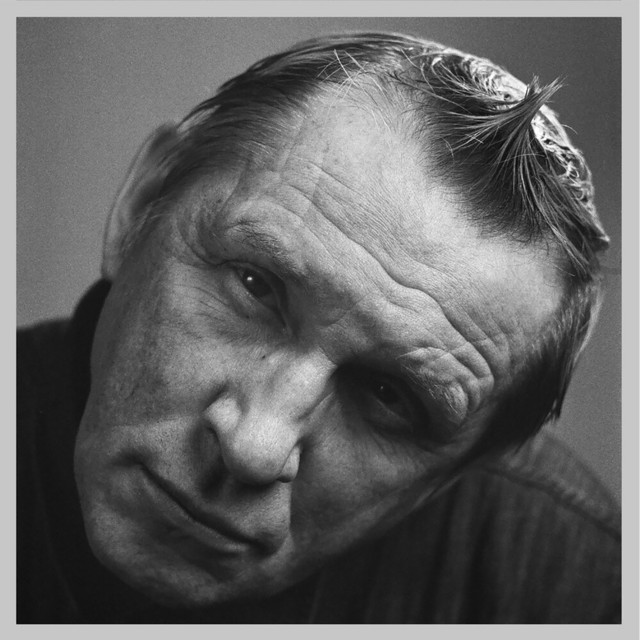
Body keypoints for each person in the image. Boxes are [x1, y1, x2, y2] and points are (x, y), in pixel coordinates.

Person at [17, 31, 620, 623]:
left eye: (388, 394)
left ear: (459, 472)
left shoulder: (572, 585)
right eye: (255, 287)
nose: (254, 449)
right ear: (141, 206)